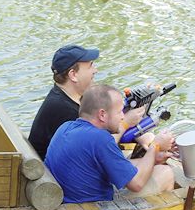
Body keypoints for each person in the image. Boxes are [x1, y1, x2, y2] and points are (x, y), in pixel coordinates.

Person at [45, 84, 176, 203]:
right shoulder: (100, 138)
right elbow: (136, 184)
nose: (123, 117)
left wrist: (153, 159)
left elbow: (117, 165)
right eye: (119, 112)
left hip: (70, 201)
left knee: (148, 164)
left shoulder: (66, 127)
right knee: (166, 173)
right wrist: (155, 146)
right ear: (102, 114)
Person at [29, 45, 145, 159]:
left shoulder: (69, 97)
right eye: (90, 66)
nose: (95, 70)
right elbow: (99, 150)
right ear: (73, 75)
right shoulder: (64, 110)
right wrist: (126, 123)